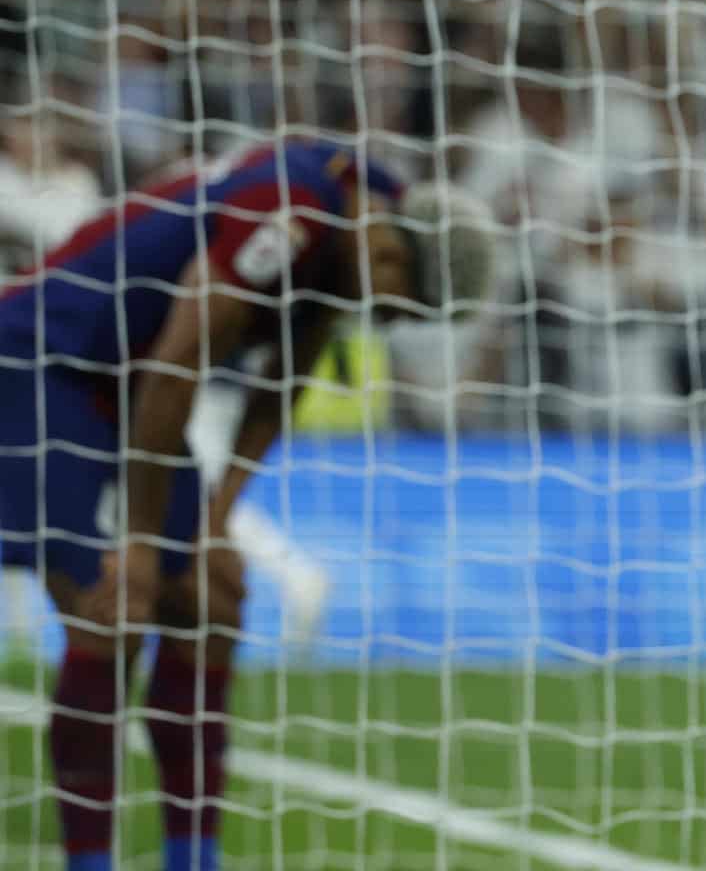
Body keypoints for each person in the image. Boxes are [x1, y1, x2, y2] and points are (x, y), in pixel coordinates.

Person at [0, 138, 494, 871]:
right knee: (113, 601)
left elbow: (280, 383)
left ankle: (194, 858)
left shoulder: (350, 227)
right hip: (43, 363)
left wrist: (217, 520)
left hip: (125, 388)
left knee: (213, 600)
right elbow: (179, 362)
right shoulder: (289, 215)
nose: (381, 322)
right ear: (391, 258)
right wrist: (139, 546)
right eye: (393, 310)